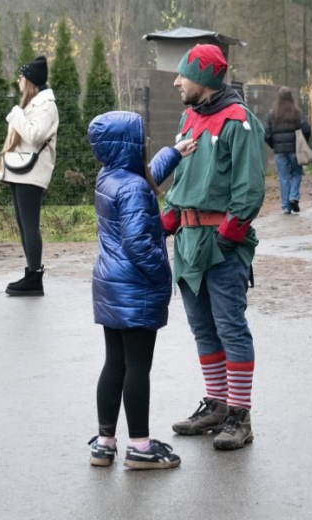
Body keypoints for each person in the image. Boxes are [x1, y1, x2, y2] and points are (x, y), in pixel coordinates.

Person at [162, 44, 265, 451]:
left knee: (230, 328)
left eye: (182, 75)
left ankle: (240, 414)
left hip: (221, 246)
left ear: (202, 79)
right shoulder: (190, 118)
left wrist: (226, 238)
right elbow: (185, 177)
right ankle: (218, 405)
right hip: (187, 245)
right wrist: (166, 223)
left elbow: (249, 189)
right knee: (203, 328)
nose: (175, 81)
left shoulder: (240, 121)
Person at [87, 110, 195, 470]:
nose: (144, 141)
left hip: (110, 285)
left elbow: (146, 174)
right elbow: (137, 242)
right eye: (140, 137)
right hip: (135, 287)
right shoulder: (133, 188)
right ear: (128, 145)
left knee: (114, 364)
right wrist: (160, 272)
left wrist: (175, 152)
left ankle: (104, 445)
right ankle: (140, 447)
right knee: (137, 368)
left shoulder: (109, 177)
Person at [0, 55, 58, 296]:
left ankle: (35, 277)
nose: (17, 81)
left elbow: (35, 135)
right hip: (20, 170)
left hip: (31, 171)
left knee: (30, 225)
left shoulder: (46, 105)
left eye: (21, 78)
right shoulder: (33, 104)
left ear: (30, 80)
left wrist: (16, 115)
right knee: (23, 225)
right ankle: (31, 272)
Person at [263, 86, 311, 214]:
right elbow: (306, 129)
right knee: (296, 173)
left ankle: (286, 207)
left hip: (280, 151)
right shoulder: (297, 112)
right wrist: (302, 141)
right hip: (295, 149)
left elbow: (266, 134)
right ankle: (293, 197)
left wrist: (275, 145)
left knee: (283, 177)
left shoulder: (272, 114)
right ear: (291, 97)